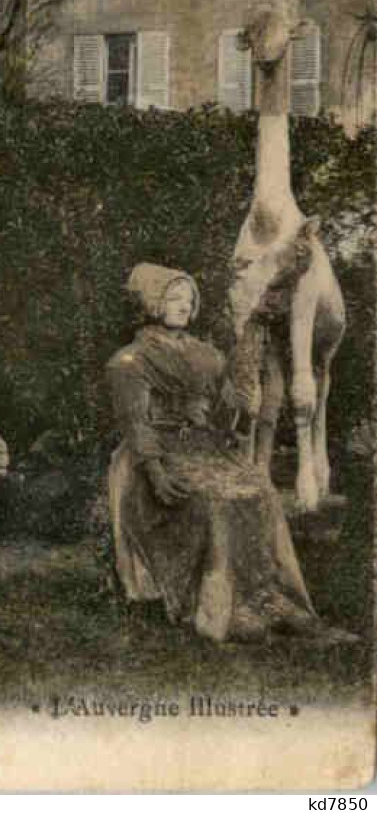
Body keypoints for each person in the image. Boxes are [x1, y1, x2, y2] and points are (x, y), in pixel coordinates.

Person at [105, 263, 337, 642]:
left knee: (261, 492)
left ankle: (272, 597)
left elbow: (227, 409)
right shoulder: (129, 360)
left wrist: (251, 345)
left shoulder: (206, 355)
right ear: (150, 302)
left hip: (205, 447)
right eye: (172, 297)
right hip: (155, 456)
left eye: (188, 298)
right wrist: (157, 474)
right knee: (216, 501)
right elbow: (136, 425)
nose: (183, 305)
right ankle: (227, 608)